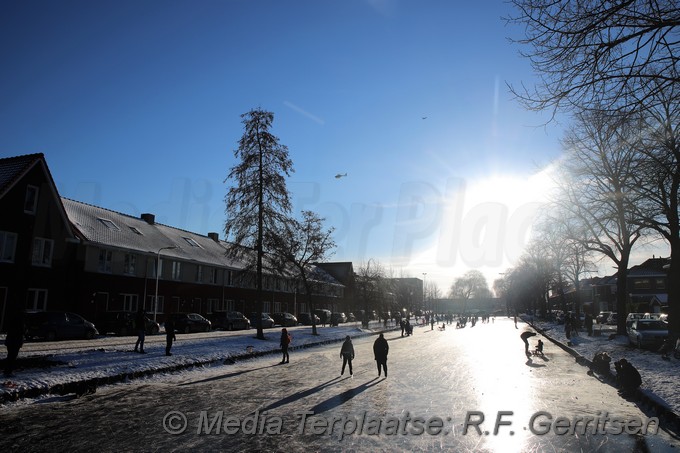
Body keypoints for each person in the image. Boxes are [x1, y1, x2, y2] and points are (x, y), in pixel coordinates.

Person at [4, 306, 25, 376]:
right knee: (12, 357)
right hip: (16, 342)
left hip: (10, 341)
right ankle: (9, 371)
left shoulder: (11, 320)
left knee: (9, 356)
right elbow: (22, 331)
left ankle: (7, 370)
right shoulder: (20, 322)